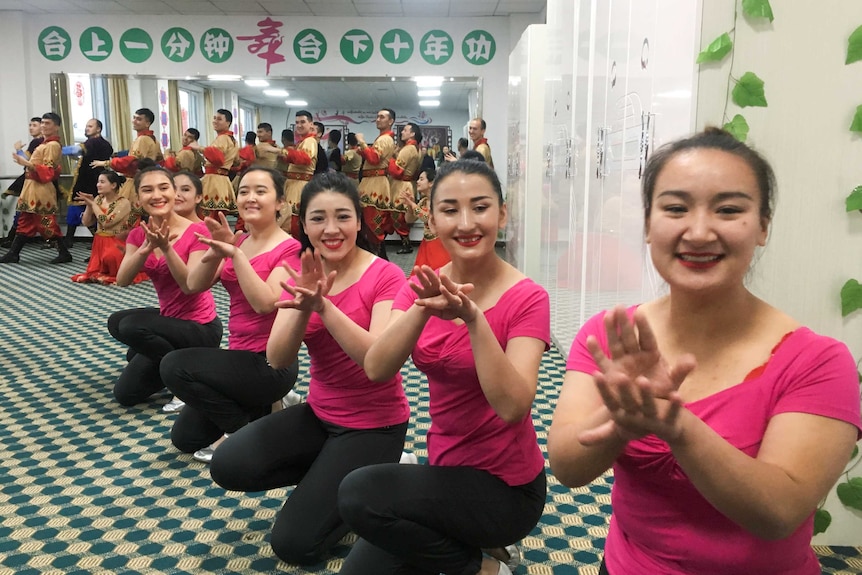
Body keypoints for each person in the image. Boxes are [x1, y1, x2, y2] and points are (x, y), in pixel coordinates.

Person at [547, 128, 862, 575]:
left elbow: (778, 514)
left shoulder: (816, 361)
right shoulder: (613, 335)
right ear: (648, 225)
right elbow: (567, 467)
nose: (698, 232)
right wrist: (621, 420)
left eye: (729, 210)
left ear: (763, 227)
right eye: (675, 208)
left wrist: (675, 425)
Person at [337, 159, 549, 575]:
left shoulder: (528, 298)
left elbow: (513, 406)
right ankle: (470, 551)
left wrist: (474, 319)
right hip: (444, 470)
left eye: (481, 207)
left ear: (502, 213)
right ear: (431, 219)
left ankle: (484, 566)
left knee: (360, 493)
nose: (467, 223)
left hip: (505, 487)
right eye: (450, 210)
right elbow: (378, 367)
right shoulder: (422, 284)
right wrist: (422, 308)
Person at [209, 172, 409, 565]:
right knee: (228, 465)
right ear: (303, 222)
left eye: (342, 217)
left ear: (359, 220)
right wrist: (303, 308)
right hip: (320, 415)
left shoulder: (386, 275)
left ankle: (370, 480)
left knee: (294, 545)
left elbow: (376, 364)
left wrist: (324, 307)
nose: (331, 229)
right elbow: (278, 358)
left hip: (373, 424)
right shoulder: (297, 271)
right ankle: (337, 481)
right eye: (318, 218)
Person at [160, 167, 301, 463]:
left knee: (174, 365)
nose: (250, 198)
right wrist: (217, 251)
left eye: (260, 192)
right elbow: (192, 285)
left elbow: (265, 304)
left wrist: (236, 256)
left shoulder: (290, 249)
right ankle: (271, 407)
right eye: (244, 192)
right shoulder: (238, 240)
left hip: (269, 363)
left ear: (280, 203)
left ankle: (243, 428)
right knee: (185, 438)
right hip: (238, 359)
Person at [108, 164, 223, 407]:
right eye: (148, 190)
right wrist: (146, 249)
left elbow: (190, 285)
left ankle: (184, 375)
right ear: (138, 198)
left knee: (132, 327)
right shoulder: (139, 235)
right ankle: (179, 366)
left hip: (199, 327)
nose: (157, 195)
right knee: (125, 393)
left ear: (174, 193)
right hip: (169, 321)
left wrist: (167, 248)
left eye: (163, 188)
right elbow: (122, 280)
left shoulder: (198, 231)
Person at [1, 112, 72, 264]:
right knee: (25, 221)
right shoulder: (44, 144)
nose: (44, 126)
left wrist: (26, 164)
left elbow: (48, 171)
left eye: (48, 123)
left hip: (41, 190)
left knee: (46, 222)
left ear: (57, 127)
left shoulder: (53, 145)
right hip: (32, 187)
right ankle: (14, 253)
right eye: (43, 123)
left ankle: (64, 252)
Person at [70, 171, 144, 285]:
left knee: (110, 260)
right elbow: (86, 222)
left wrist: (94, 204)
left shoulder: (123, 203)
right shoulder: (99, 199)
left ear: (113, 185)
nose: (98, 185)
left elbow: (106, 222)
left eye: (102, 182)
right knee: (95, 271)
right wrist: (89, 206)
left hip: (116, 241)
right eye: (98, 182)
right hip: (99, 242)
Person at [92, 108, 163, 204]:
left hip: (135, 183)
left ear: (147, 123)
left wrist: (106, 163)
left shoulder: (142, 139)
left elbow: (131, 162)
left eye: (139, 119)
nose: (134, 121)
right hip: (148, 180)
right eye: (134, 118)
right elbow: (160, 161)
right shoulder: (154, 140)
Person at [265, 110, 317, 238]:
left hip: (300, 185)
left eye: (303, 122)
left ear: (311, 124)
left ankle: (295, 249)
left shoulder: (310, 141)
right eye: (297, 122)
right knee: (289, 217)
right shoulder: (302, 142)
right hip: (294, 184)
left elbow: (304, 159)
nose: (299, 125)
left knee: (293, 219)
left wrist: (279, 151)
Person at [62, 118, 114, 245]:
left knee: (89, 213)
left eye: (90, 126)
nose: (87, 128)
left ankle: (101, 242)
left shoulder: (95, 142)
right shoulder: (100, 144)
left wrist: (58, 149)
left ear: (98, 129)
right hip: (92, 182)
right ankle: (68, 241)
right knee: (79, 212)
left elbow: (76, 150)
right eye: (86, 126)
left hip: (90, 183)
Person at [357, 108, 397, 259]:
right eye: (377, 116)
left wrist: (362, 142)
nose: (378, 119)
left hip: (375, 184)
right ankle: (377, 258)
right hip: (372, 182)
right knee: (370, 224)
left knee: (372, 224)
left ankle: (376, 259)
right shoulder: (382, 138)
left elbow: (374, 159)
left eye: (382, 117)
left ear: (390, 121)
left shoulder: (385, 139)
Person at [187, 109, 239, 219]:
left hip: (214, 182)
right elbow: (237, 161)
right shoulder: (232, 140)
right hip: (223, 181)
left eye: (219, 119)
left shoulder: (223, 138)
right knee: (217, 220)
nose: (215, 121)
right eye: (214, 118)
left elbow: (217, 158)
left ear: (228, 123)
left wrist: (199, 148)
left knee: (206, 218)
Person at [1, 117, 44, 249]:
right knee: (26, 213)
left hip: (38, 183)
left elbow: (28, 160)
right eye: (30, 125)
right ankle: (13, 243)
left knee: (40, 215)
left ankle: (59, 244)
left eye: (34, 125)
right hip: (38, 182)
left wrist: (18, 150)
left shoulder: (39, 141)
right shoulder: (40, 141)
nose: (31, 127)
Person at [398, 168, 449, 274]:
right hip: (426, 243)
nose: (417, 182)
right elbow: (409, 219)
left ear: (431, 183)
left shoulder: (440, 200)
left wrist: (413, 205)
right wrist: (410, 206)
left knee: (438, 275)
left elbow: (428, 218)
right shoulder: (424, 201)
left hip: (439, 244)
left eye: (421, 179)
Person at [388, 122, 422, 255]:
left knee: (398, 215)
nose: (402, 132)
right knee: (401, 215)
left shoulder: (408, 149)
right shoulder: (416, 148)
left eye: (405, 130)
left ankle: (406, 244)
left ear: (412, 133)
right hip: (409, 184)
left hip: (401, 185)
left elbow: (397, 171)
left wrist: (389, 158)